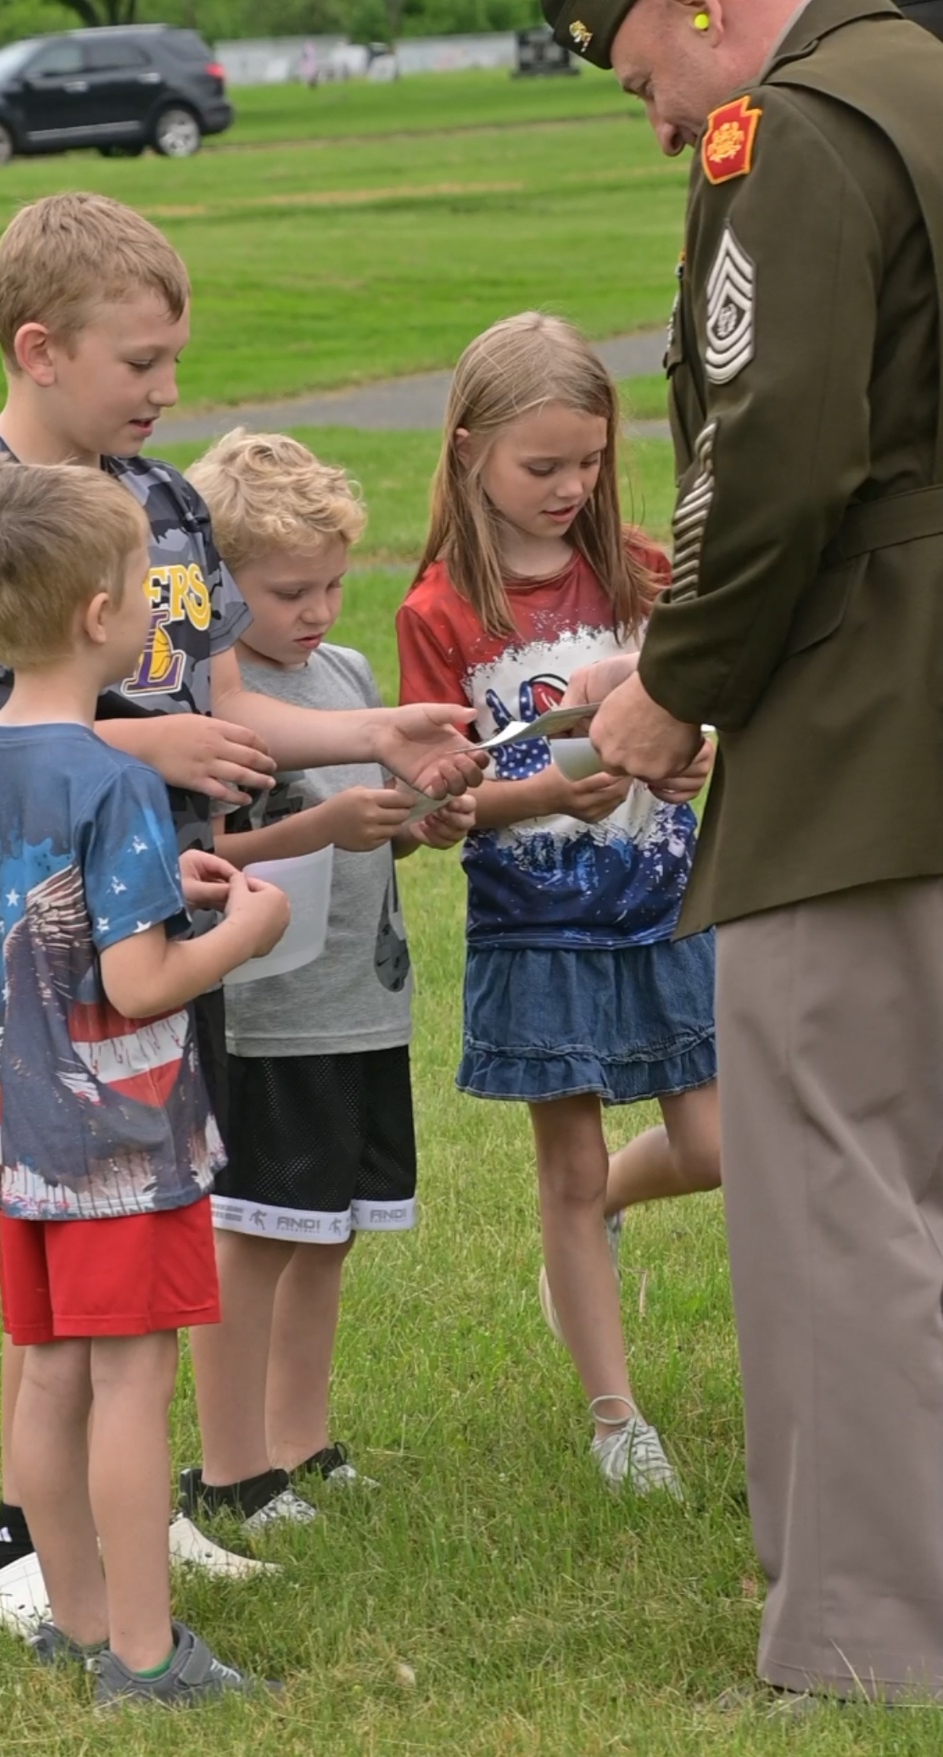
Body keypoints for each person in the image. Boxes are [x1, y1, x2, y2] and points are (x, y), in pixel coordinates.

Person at [0, 190, 483, 1634]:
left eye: (176, 361)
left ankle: (130, 1517)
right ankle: (21, 1539)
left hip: (171, 950)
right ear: (43, 349)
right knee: (60, 1244)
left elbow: (223, 700)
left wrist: (373, 736)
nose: (167, 392)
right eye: (141, 364)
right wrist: (151, 750)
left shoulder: (169, 505)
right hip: (38, 977)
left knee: (152, 1236)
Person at [544, 0, 943, 1706]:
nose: (654, 122)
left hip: (869, 729)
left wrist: (676, 681)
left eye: (639, 76)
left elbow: (771, 451)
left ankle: (865, 1643)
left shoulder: (781, 130)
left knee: (832, 1193)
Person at [0, 459, 290, 1704]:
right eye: (149, 584)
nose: (160, 603)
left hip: (19, 1130)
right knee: (133, 1381)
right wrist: (242, 933)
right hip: (121, 1141)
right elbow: (140, 987)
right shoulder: (117, 774)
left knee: (47, 1370)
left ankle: (79, 1624)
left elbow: (54, 921)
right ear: (101, 615)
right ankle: (147, 1655)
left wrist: (164, 893)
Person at [395, 314, 719, 1498]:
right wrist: (534, 790)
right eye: (542, 466)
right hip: (539, 931)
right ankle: (613, 1415)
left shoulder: (640, 571)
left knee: (721, 1145)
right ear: (470, 448)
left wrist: (686, 752)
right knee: (566, 1171)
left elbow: (697, 704)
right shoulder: (437, 613)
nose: (568, 487)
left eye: (586, 461)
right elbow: (437, 804)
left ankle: (625, 1200)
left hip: (671, 902)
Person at [170, 430, 474, 1528]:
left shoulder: (344, 679)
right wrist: (327, 821)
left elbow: (367, 832)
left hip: (358, 1001)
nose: (318, 608)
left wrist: (414, 820)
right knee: (254, 1230)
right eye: (288, 589)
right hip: (266, 1012)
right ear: (215, 587)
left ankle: (301, 1435)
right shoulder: (207, 698)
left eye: (335, 582)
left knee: (328, 1225)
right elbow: (205, 859)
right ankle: (231, 1462)